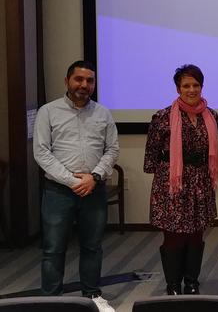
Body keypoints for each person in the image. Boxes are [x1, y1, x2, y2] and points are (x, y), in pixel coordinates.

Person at [33, 61, 119, 312]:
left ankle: (92, 295)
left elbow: (112, 149)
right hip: (58, 191)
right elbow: (41, 152)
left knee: (92, 246)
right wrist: (72, 181)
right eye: (78, 79)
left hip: (93, 189)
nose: (84, 85)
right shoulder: (48, 112)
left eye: (89, 81)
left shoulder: (103, 113)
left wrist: (94, 177)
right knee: (53, 249)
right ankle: (51, 300)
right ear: (67, 81)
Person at [144, 64, 218, 295]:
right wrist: (167, 179)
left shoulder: (212, 115)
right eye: (186, 85)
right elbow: (152, 155)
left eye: (196, 85)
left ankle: (192, 281)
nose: (191, 89)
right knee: (175, 236)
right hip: (172, 184)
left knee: (196, 235)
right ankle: (173, 284)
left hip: (201, 182)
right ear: (178, 88)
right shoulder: (163, 117)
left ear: (201, 86)